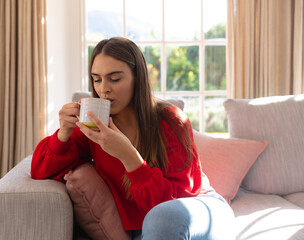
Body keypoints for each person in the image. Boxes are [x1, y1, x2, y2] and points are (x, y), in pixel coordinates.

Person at [31, 37, 234, 239]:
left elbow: (176, 202)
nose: (103, 89)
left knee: (162, 219)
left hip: (198, 208)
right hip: (151, 228)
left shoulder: (171, 120)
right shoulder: (95, 125)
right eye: (97, 79)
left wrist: (129, 157)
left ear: (138, 78)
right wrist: (63, 134)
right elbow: (38, 170)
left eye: (115, 78)